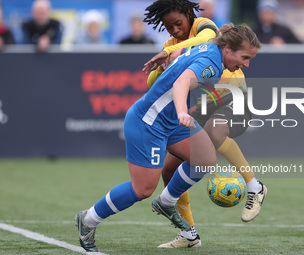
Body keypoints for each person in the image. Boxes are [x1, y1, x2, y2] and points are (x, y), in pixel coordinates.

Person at [75, 23, 259, 252]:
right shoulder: (212, 63)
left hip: (169, 121)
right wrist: (182, 110)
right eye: (245, 57)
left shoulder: (210, 48)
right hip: (149, 122)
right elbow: (182, 83)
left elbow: (182, 54)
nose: (247, 64)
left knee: (205, 159)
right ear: (229, 48)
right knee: (142, 189)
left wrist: (167, 56)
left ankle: (167, 202)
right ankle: (88, 220)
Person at [143, 0, 266, 248]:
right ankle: (189, 235)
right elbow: (152, 84)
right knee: (168, 170)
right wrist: (163, 65)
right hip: (203, 105)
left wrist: (173, 53)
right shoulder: (170, 45)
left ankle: (255, 186)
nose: (175, 30)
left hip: (233, 95)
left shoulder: (202, 25)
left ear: (189, 14)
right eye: (169, 27)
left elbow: (209, 36)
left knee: (214, 130)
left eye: (178, 23)